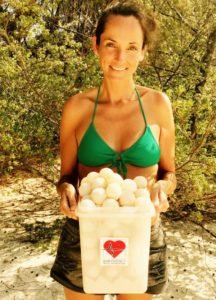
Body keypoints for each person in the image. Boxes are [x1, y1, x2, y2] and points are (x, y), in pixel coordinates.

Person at [50, 1, 177, 300]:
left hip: (142, 232)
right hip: (86, 232)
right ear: (96, 45)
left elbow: (169, 172)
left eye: (132, 47)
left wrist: (163, 186)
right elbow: (66, 176)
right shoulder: (77, 108)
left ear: (144, 51)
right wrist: (65, 191)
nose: (121, 57)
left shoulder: (158, 105)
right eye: (111, 44)